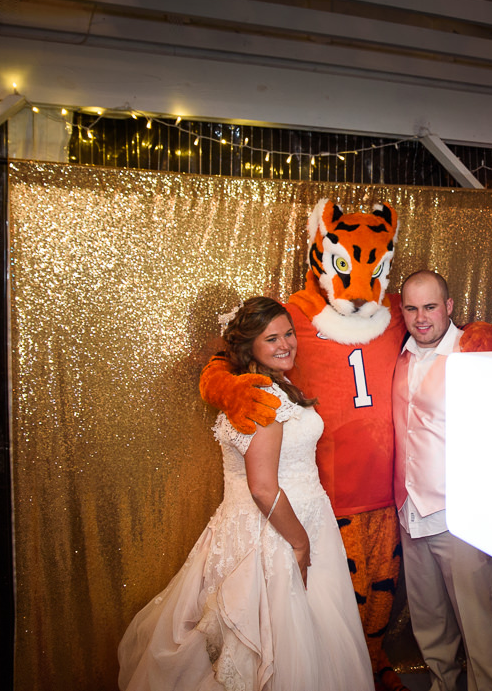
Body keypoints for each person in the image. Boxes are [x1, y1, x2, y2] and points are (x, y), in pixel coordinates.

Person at [118, 296, 374, 691]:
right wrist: (301, 544)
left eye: (288, 333)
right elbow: (262, 488)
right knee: (273, 643)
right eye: (271, 339)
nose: (285, 344)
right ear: (250, 348)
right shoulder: (260, 399)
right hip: (277, 534)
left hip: (284, 521)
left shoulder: (267, 387)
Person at [392, 270, 492, 691]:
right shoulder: (399, 355)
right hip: (410, 513)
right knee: (431, 629)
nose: (421, 317)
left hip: (461, 516)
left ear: (449, 307)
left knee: (482, 632)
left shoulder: (477, 353)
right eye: (411, 308)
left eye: (430, 307)